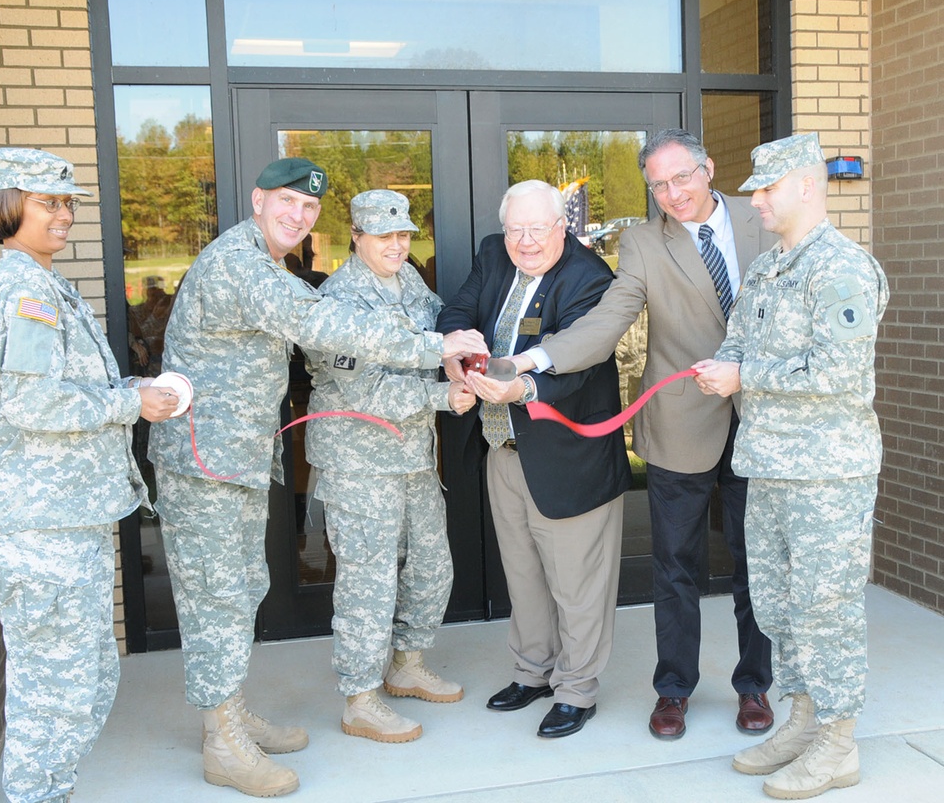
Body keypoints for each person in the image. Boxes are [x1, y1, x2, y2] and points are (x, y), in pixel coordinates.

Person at [146, 158, 485, 797]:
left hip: (235, 457)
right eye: (287, 203)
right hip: (207, 457)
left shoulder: (270, 263)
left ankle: (231, 715)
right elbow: (319, 325)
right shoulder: (239, 264)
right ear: (257, 199)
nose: (298, 217)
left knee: (240, 589)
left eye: (308, 210)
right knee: (218, 596)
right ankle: (224, 740)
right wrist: (431, 353)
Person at [510, 129, 777, 740]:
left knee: (756, 563)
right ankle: (674, 689)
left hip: (763, 420)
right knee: (676, 566)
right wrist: (535, 361)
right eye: (658, 184)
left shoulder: (759, 217)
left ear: (708, 168)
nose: (671, 193)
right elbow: (609, 319)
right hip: (682, 420)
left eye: (681, 177)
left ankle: (754, 685)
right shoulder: (642, 241)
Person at [0, 148, 178, 803]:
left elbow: (58, 389)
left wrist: (131, 389)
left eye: (68, 201)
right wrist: (130, 403)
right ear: (5, 206)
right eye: (47, 201)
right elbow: (37, 404)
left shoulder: (40, 283)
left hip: (58, 518)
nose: (64, 214)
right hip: (39, 525)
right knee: (56, 695)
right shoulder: (25, 292)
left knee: (76, 684)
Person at [694, 133, 889, 800]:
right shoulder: (768, 268)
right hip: (770, 468)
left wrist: (743, 373)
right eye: (754, 189)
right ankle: (802, 720)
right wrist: (724, 368)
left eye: (768, 188)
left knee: (826, 608)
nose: (756, 202)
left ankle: (837, 744)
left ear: (807, 185)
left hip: (827, 476)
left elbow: (838, 374)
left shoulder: (840, 269)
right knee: (781, 609)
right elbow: (738, 341)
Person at [437, 180, 632, 739]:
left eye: (537, 229)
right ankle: (533, 671)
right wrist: (456, 351)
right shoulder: (493, 254)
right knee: (522, 574)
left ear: (561, 227)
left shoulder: (590, 277)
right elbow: (457, 308)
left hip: (569, 455)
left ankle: (576, 690)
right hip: (504, 446)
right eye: (515, 229)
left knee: (577, 584)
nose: (524, 241)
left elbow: (579, 364)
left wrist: (523, 390)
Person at [304, 190, 476, 743]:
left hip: (412, 457)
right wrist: (444, 398)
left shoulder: (409, 284)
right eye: (384, 237)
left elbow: (435, 338)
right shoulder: (338, 303)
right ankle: (359, 696)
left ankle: (406, 663)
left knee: (431, 562)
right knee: (368, 581)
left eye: (403, 235)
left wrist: (459, 362)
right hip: (359, 464)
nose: (397, 245)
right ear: (356, 236)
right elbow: (364, 393)